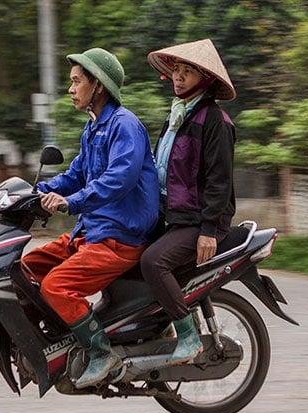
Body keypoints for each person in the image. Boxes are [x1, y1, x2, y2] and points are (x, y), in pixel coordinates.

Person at [21, 48, 159, 389]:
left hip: (119, 238)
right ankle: (56, 339)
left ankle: (100, 352)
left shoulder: (124, 126)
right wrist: (34, 191)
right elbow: (77, 173)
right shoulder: (95, 128)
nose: (70, 89)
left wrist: (70, 202)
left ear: (98, 86)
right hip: (91, 233)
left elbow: (117, 180)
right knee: (23, 269)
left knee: (56, 287)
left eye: (76, 82)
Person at [140, 38, 237, 365]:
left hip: (200, 221)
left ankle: (188, 335)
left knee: (154, 262)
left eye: (187, 72)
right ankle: (156, 331)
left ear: (205, 78)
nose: (178, 77)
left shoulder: (214, 122)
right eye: (176, 70)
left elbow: (219, 181)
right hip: (175, 217)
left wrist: (208, 229)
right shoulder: (175, 118)